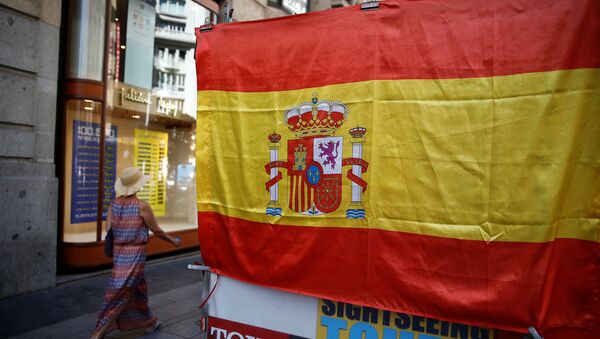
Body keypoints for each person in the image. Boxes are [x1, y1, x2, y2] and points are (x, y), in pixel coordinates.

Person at [91, 167, 182, 339]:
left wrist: (123, 228)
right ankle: (98, 332)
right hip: (135, 254)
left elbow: (108, 228)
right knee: (119, 292)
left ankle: (149, 322)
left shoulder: (114, 204)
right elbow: (157, 231)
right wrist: (173, 240)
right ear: (138, 186)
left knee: (138, 289)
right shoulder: (143, 206)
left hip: (119, 253)